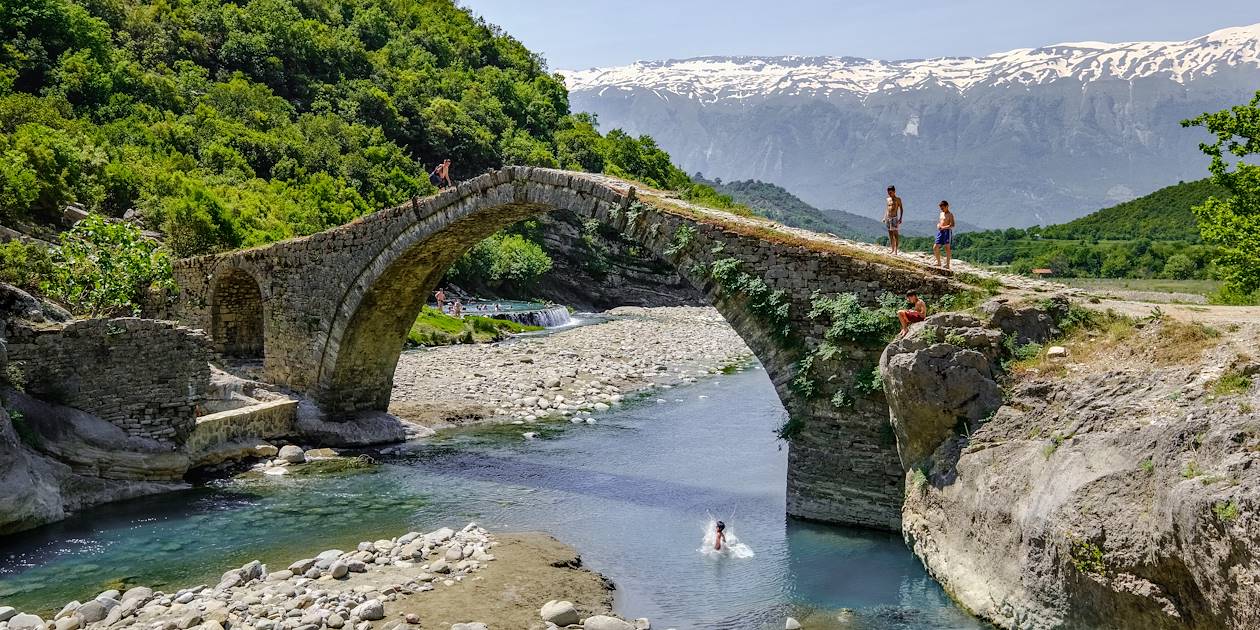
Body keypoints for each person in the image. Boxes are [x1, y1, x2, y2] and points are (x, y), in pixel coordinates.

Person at [934, 200, 955, 270]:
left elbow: (952, 225)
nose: (942, 209)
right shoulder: (941, 214)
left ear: (947, 206)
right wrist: (938, 225)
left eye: (943, 208)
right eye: (941, 208)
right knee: (935, 247)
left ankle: (947, 264)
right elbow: (940, 222)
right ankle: (938, 262)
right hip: (940, 231)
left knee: (947, 248)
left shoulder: (950, 214)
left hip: (947, 231)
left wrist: (943, 227)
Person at [884, 185, 904, 254]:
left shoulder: (898, 199)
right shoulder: (888, 199)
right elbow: (887, 209)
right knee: (890, 234)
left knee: (895, 234)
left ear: (894, 191)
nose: (889, 194)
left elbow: (901, 208)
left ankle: (896, 250)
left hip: (894, 218)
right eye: (888, 192)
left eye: (891, 192)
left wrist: (901, 218)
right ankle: (892, 249)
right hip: (888, 218)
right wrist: (884, 217)